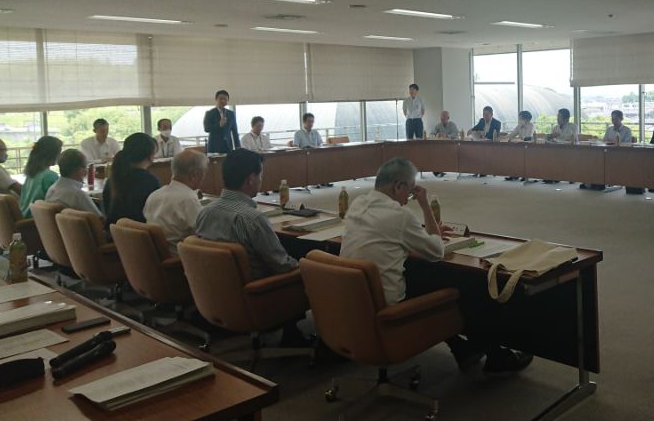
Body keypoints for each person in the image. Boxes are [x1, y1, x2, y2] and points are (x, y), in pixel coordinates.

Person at [340, 157, 532, 374]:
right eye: (410, 192)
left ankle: (462, 350)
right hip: (387, 306)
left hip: (355, 301)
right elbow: (436, 252)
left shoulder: (358, 204)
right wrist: (424, 204)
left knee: (422, 274)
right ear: (398, 186)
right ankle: (495, 356)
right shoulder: (399, 215)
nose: (408, 200)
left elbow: (388, 240)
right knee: (466, 284)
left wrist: (425, 236)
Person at [197, 149, 298, 279]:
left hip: (215, 287)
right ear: (251, 179)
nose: (260, 180)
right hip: (262, 288)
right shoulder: (253, 219)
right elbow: (283, 266)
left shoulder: (204, 212)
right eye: (260, 176)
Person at [144, 149, 208, 253]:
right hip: (180, 257)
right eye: (204, 172)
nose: (204, 177)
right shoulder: (188, 199)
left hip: (157, 255)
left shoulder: (154, 195)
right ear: (194, 175)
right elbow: (204, 233)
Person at [102, 133, 161, 232]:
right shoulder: (149, 181)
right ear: (151, 156)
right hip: (140, 235)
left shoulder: (113, 178)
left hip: (115, 234)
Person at [45, 149, 103, 218]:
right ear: (81, 170)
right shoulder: (78, 195)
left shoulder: (51, 189)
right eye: (86, 166)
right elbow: (99, 219)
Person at [19, 136, 63, 218]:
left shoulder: (30, 175)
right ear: (51, 154)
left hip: (26, 217)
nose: (60, 155)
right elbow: (60, 200)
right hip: (37, 220)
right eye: (59, 152)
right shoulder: (49, 176)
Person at [203, 90, 239, 154]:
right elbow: (206, 128)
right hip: (214, 147)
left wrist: (238, 147)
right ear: (216, 99)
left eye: (225, 99)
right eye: (221, 99)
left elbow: (235, 131)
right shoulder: (209, 113)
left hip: (228, 146)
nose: (223, 101)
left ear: (227, 101)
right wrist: (219, 125)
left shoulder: (231, 114)